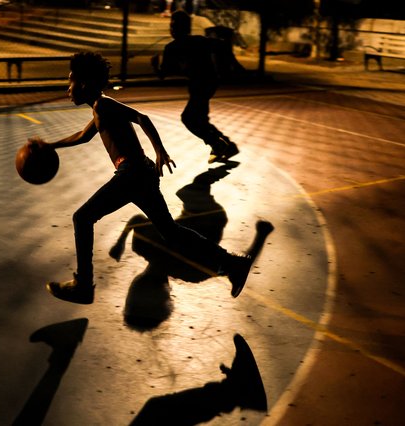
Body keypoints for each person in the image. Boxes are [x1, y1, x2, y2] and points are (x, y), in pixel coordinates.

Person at [28, 52, 253, 305]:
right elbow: (82, 135)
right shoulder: (99, 108)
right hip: (141, 175)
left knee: (82, 218)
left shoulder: (104, 104)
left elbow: (141, 118)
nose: (67, 88)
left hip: (132, 173)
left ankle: (83, 285)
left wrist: (160, 150)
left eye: (70, 82)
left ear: (84, 83)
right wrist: (50, 146)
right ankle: (233, 264)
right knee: (171, 232)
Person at [152, 10, 239, 164]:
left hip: (204, 83)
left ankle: (218, 144)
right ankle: (227, 146)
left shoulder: (181, 45)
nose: (172, 30)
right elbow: (222, 44)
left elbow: (163, 74)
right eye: (172, 26)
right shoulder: (187, 44)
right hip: (205, 83)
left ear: (181, 28)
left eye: (175, 26)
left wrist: (155, 66)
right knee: (200, 119)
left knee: (188, 119)